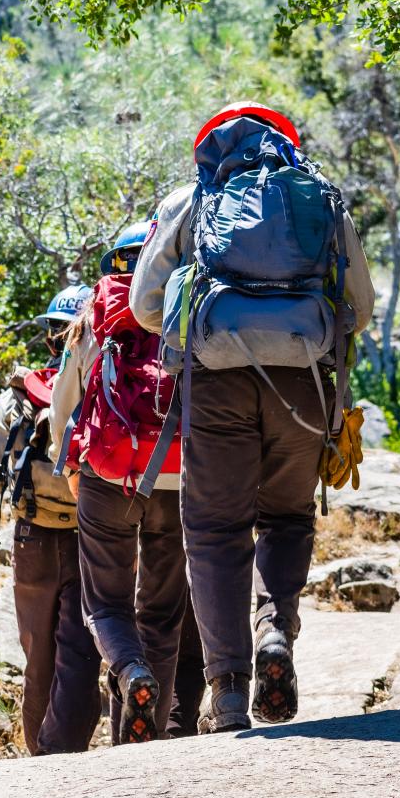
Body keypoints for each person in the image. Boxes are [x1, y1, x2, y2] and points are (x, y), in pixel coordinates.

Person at [130, 102, 375, 733]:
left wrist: (209, 332)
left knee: (214, 531)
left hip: (215, 384)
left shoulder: (193, 199)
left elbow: (144, 305)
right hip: (304, 381)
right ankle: (275, 634)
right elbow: (361, 306)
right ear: (286, 142)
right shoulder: (318, 196)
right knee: (287, 517)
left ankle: (231, 690)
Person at [0, 284, 101, 755]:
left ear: (52, 338)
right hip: (90, 539)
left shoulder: (19, 397)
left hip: (31, 540)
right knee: (81, 655)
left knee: (38, 663)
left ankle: (42, 756)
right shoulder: (106, 389)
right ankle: (62, 756)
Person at [51, 222, 187, 745]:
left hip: (107, 474)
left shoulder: (94, 315)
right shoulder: (187, 308)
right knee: (164, 610)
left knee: (106, 605)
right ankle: (146, 737)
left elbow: (63, 406)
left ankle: (131, 673)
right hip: (175, 477)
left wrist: (73, 475)